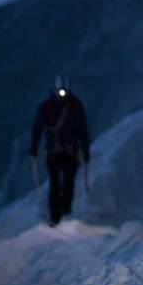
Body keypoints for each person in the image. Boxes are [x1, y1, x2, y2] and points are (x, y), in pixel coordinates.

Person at [30, 75, 91, 225]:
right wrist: (34, 146)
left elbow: (83, 129)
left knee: (68, 182)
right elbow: (37, 127)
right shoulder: (47, 106)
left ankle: (66, 210)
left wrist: (85, 149)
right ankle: (55, 215)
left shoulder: (75, 105)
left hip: (69, 151)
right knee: (55, 183)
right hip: (54, 152)